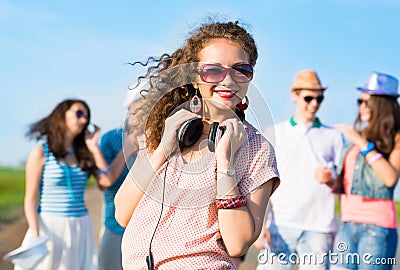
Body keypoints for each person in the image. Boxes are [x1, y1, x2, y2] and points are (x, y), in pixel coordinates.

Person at [114, 21, 280, 269]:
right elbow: (122, 214)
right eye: (213, 70)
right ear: (194, 76)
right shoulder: (164, 129)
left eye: (240, 70)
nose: (228, 80)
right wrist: (162, 149)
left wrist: (226, 165)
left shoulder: (258, 149)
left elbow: (237, 243)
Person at [256, 70, 344, 270]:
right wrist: (260, 227)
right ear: (294, 95)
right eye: (308, 97)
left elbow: (342, 186)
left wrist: (331, 179)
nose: (314, 103)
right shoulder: (276, 132)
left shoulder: (334, 136)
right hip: (280, 224)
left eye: (319, 98)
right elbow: (264, 182)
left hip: (320, 229)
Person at [20, 99, 115, 270]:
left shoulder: (84, 154)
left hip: (81, 226)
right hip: (49, 225)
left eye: (86, 117)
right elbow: (30, 199)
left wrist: (93, 147)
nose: (84, 120)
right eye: (79, 113)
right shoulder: (41, 153)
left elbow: (106, 181)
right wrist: (35, 233)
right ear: (62, 115)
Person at [324, 71, 400, 270]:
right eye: (360, 101)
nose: (362, 106)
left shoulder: (396, 138)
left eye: (367, 101)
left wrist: (361, 142)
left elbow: (390, 178)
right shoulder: (357, 137)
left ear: (382, 105)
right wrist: (330, 180)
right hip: (347, 224)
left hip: (376, 228)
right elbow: (350, 183)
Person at [98, 89, 144, 270]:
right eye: (139, 104)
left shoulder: (161, 137)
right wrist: (128, 148)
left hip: (146, 227)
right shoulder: (111, 138)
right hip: (114, 224)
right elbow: (104, 182)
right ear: (129, 107)